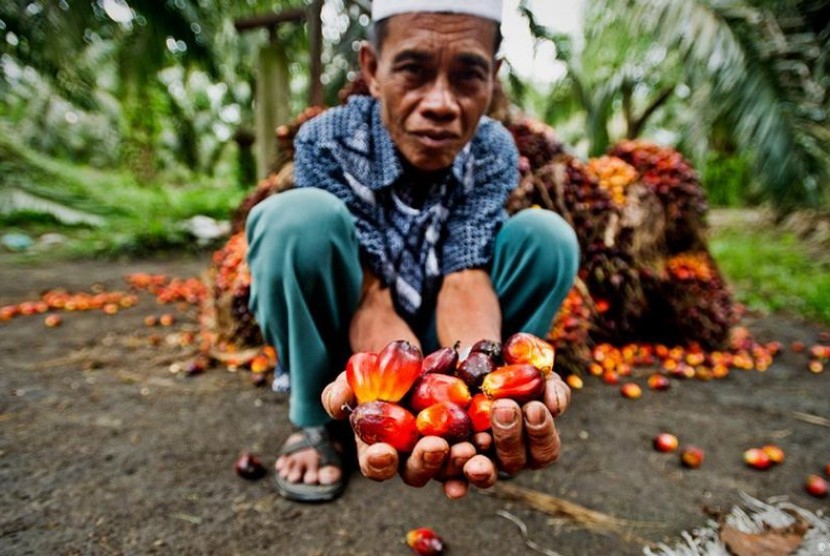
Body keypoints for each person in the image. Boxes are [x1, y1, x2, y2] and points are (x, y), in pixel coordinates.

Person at [245, 0, 579, 503]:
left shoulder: (492, 148)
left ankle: (495, 420)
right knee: (296, 221)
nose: (441, 103)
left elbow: (465, 278)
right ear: (373, 70)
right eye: (413, 71)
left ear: (494, 77)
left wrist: (472, 391)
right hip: (354, 328)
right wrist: (392, 394)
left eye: (468, 76)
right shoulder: (327, 140)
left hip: (439, 336)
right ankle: (315, 419)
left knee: (547, 238)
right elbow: (370, 296)